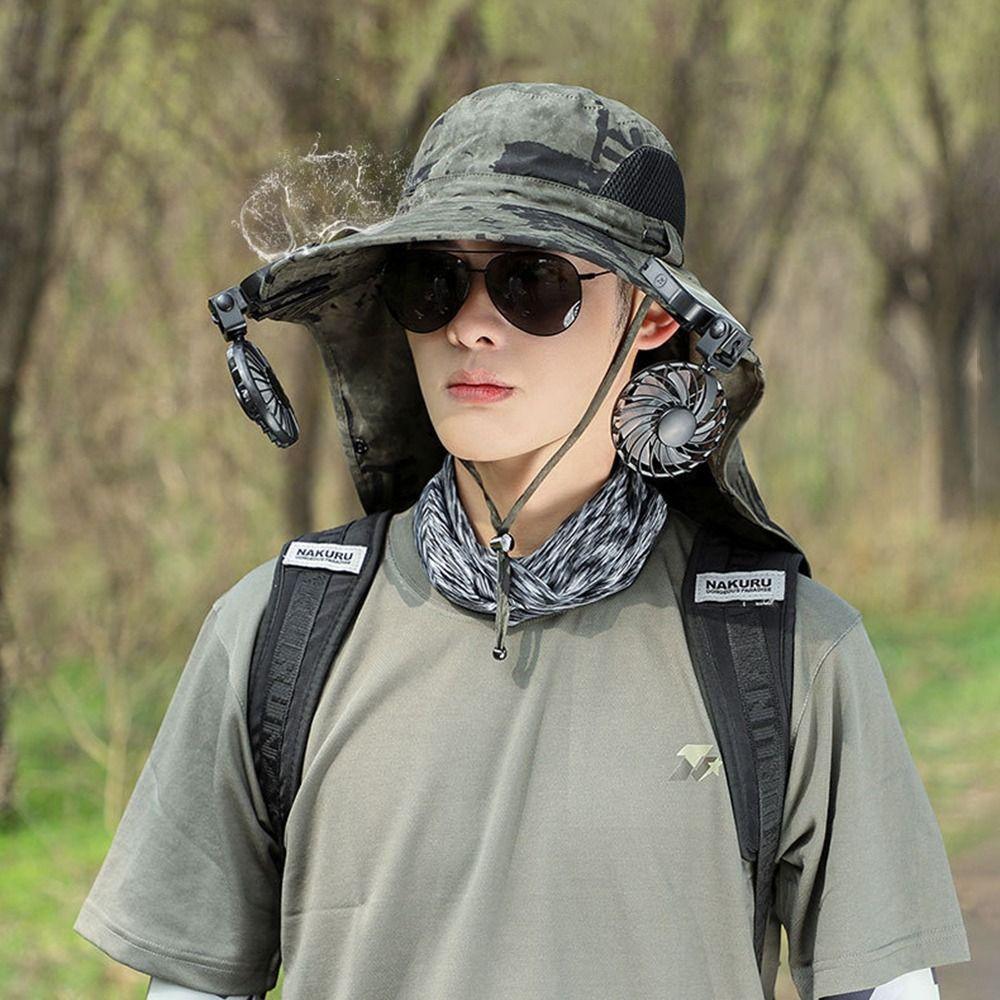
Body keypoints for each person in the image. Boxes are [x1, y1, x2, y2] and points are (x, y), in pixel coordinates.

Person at [74, 82, 970, 1000]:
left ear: (652, 316)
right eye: (432, 281)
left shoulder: (786, 654)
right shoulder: (275, 637)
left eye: (532, 282)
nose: (470, 325)